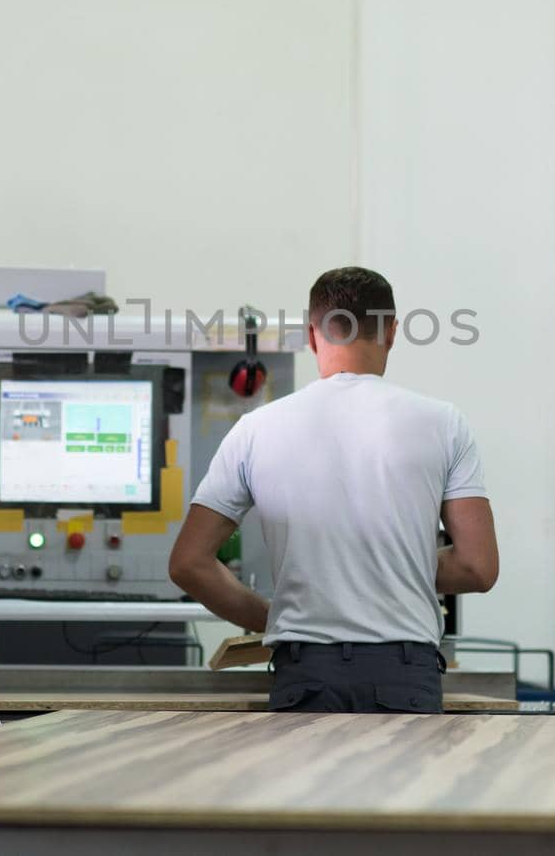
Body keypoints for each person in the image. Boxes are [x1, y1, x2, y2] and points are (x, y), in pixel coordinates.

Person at [168, 266, 497, 713]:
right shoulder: (444, 423)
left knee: (306, 787)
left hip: (305, 670)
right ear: (393, 332)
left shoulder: (255, 429)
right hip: (404, 672)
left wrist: (274, 616)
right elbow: (478, 568)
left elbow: (189, 562)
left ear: (311, 334)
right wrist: (391, 565)